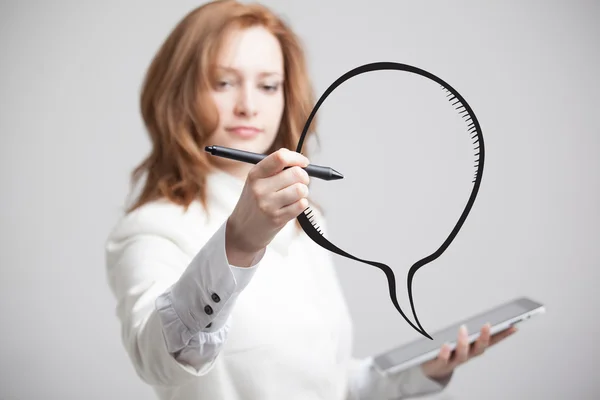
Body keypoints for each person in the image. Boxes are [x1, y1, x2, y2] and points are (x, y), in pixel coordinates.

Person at [104, 1, 517, 399]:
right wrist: (239, 244)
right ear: (179, 93)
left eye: (268, 85)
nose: (248, 106)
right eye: (224, 82)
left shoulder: (304, 222)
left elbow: (330, 384)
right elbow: (157, 357)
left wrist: (423, 370)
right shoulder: (153, 229)